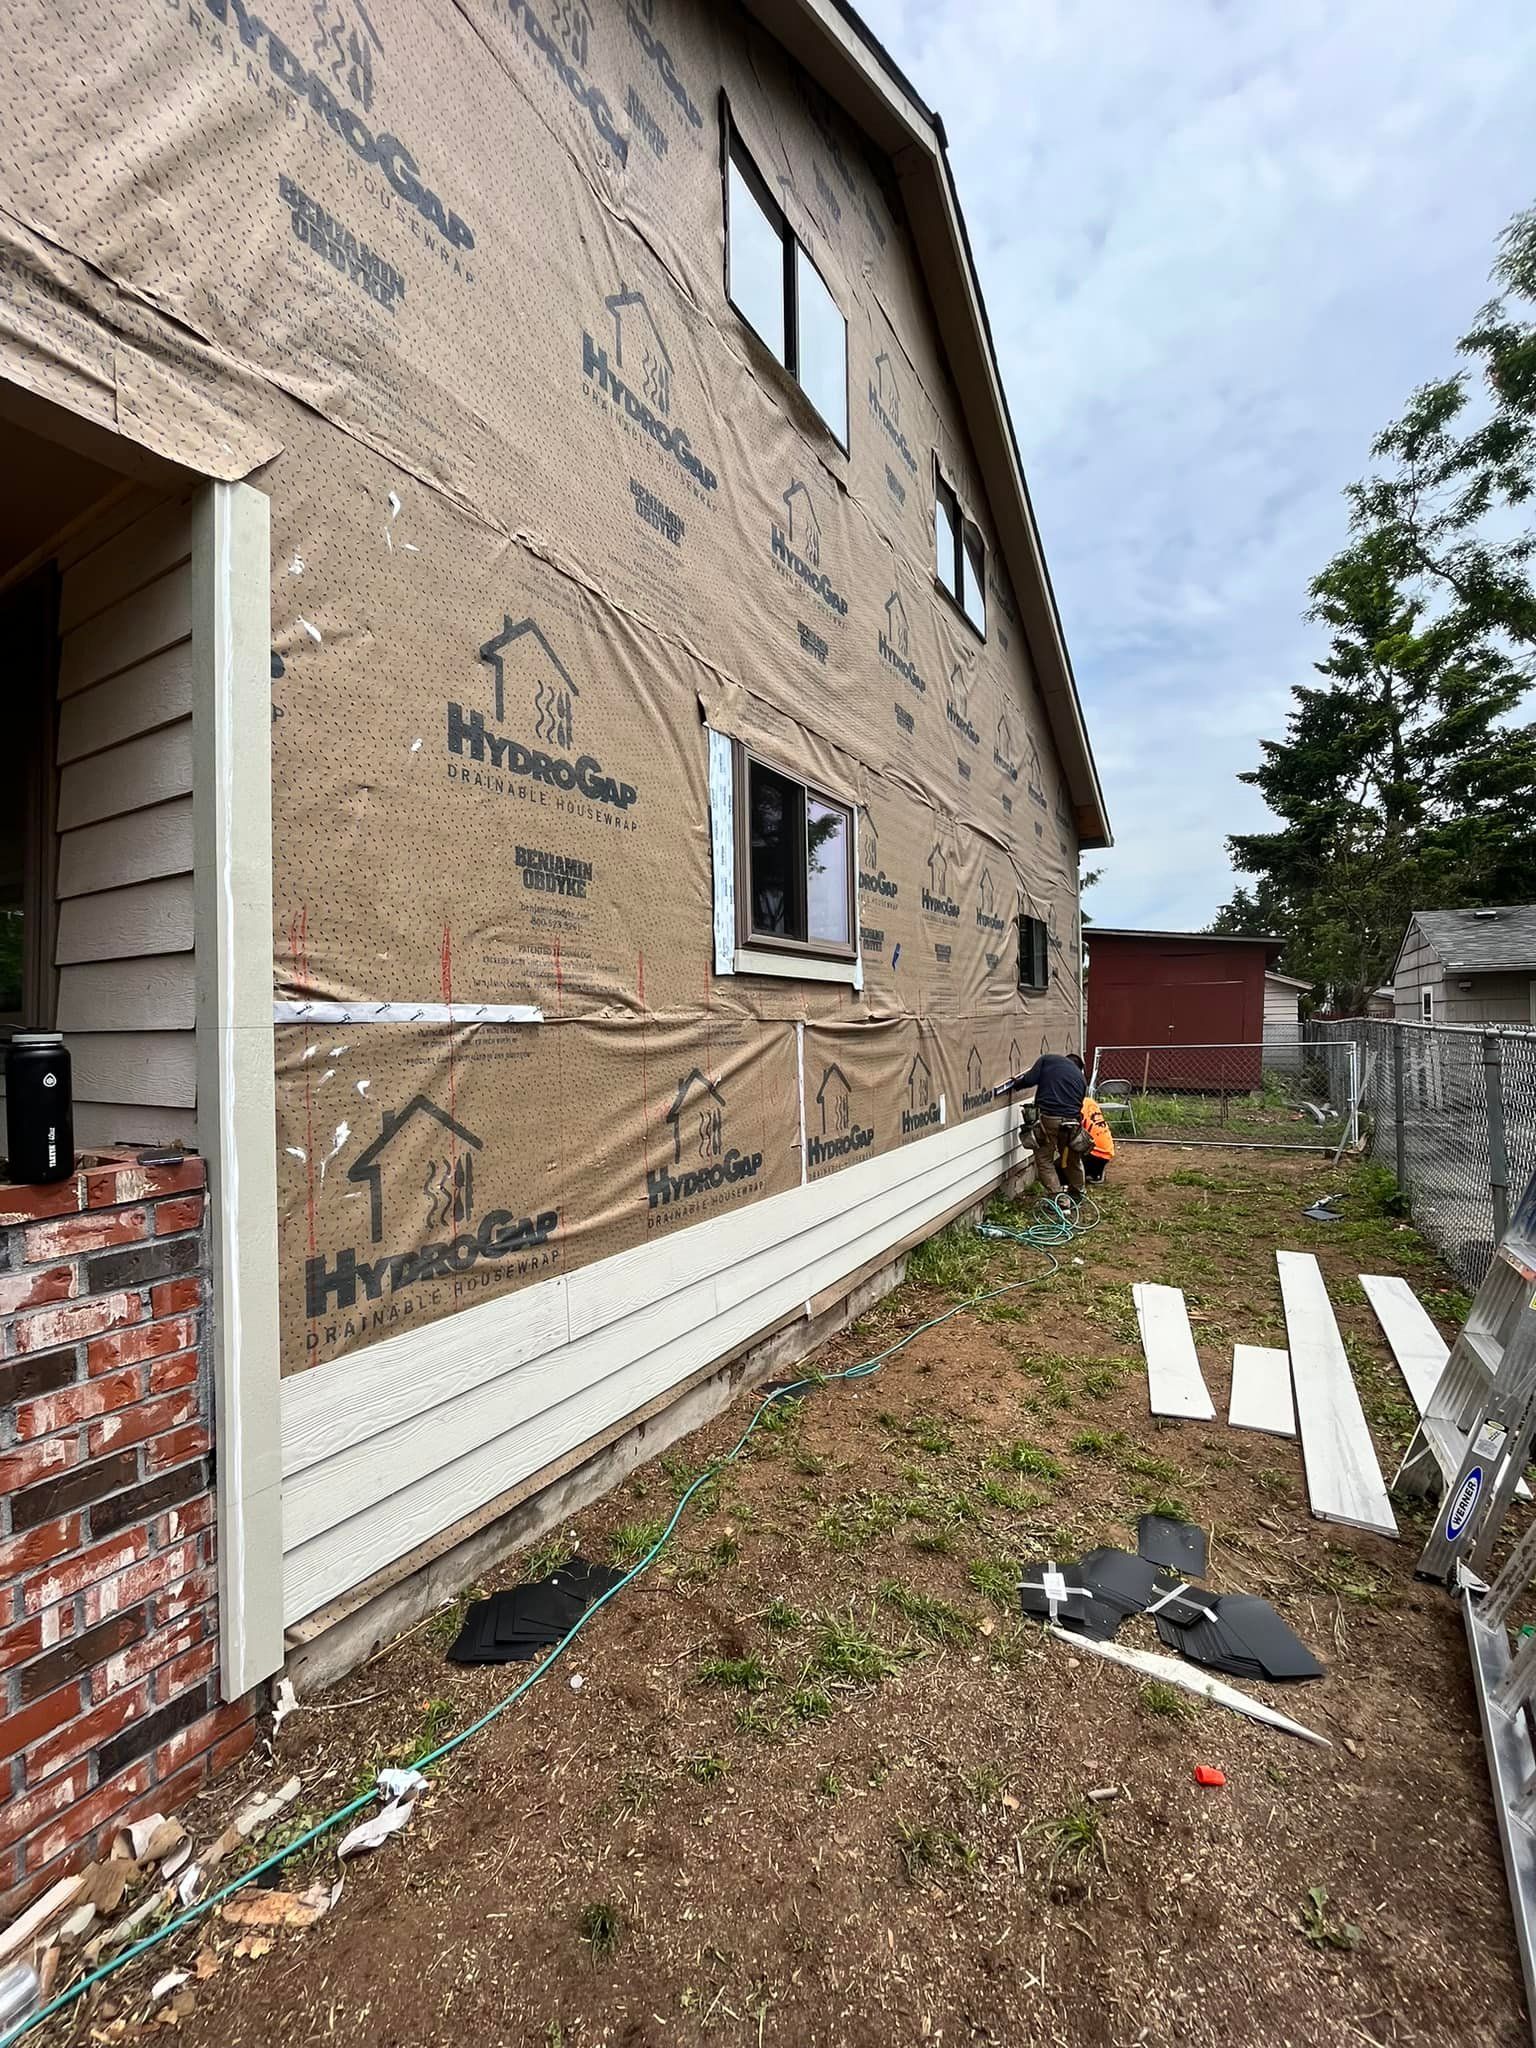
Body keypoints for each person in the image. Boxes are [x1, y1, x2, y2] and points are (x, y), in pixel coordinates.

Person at [1006, 1049, 1088, 1203]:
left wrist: (1016, 1083)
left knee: (1044, 1158)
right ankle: (1078, 1193)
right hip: (1072, 1122)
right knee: (1072, 1157)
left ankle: (1058, 1198)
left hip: (1050, 1118)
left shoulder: (1048, 1060)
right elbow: (1080, 1103)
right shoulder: (1081, 1079)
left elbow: (1029, 1079)